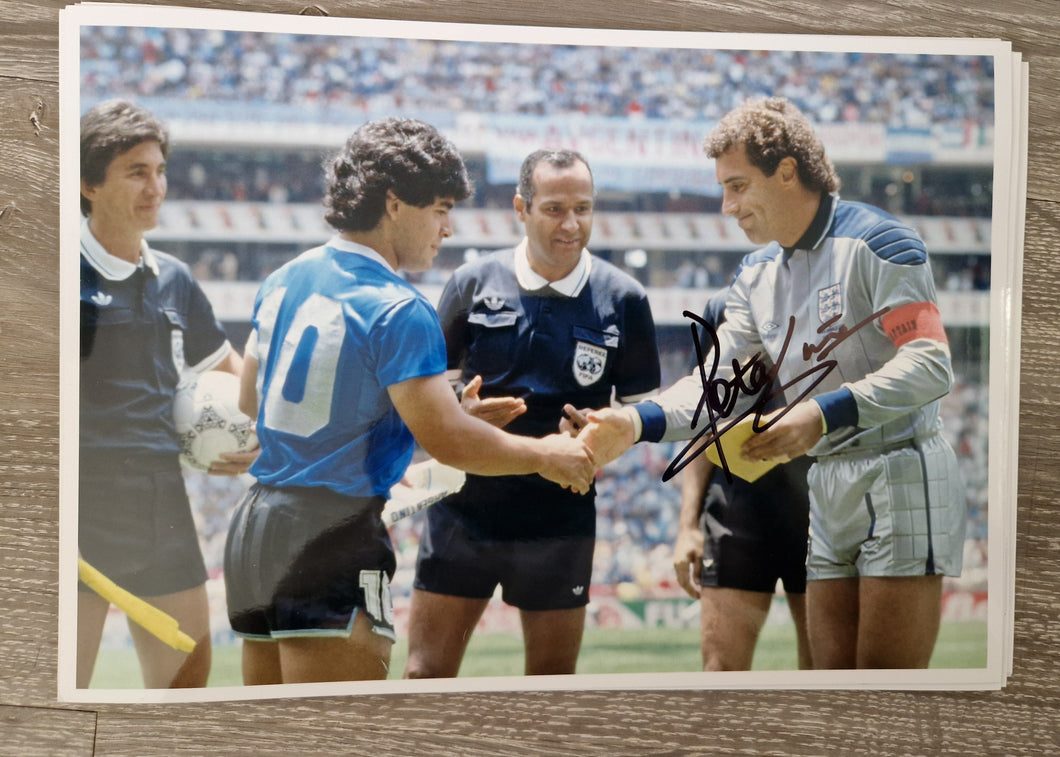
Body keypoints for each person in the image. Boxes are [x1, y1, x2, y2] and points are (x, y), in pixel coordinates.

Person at [579, 97, 967, 670]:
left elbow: (931, 363)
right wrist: (637, 423)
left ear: (787, 172)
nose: (727, 206)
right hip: (829, 481)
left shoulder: (882, 242)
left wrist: (822, 412)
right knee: (829, 694)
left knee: (887, 695)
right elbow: (719, 385)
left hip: (901, 466)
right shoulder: (756, 274)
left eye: (737, 186)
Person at [224, 121, 597, 685]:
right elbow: (450, 444)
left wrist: (441, 417)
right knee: (342, 735)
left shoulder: (282, 279)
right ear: (395, 204)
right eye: (441, 208)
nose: (448, 228)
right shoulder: (400, 307)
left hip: (257, 524)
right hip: (332, 531)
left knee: (266, 734)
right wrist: (546, 455)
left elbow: (252, 400)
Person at [403, 149, 661, 679]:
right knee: (424, 676)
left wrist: (601, 433)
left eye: (583, 209)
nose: (572, 224)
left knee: (550, 686)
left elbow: (641, 417)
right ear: (521, 208)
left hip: (560, 512)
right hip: (463, 505)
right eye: (554, 209)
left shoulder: (626, 298)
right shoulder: (470, 284)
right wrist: (463, 413)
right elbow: (425, 402)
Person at [78, 99, 255, 689]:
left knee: (187, 676)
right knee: (63, 683)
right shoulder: (58, 274)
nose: (155, 187)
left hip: (159, 499)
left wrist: (261, 436)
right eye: (135, 172)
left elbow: (236, 374)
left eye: (158, 170)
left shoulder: (176, 279)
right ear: (86, 183)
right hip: (76, 503)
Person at [674, 289, 812, 671]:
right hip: (737, 509)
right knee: (719, 673)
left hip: (820, 507)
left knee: (825, 673)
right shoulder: (723, 306)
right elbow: (701, 421)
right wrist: (687, 526)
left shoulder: (830, 294)